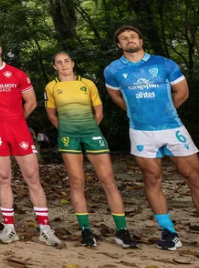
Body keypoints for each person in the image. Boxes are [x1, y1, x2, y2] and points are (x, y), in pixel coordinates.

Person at [105, 26, 199, 256]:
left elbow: (182, 92)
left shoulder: (164, 63)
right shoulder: (113, 70)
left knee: (194, 178)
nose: (129, 40)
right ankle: (168, 232)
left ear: (141, 40)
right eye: (123, 38)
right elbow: (115, 96)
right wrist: (136, 113)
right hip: (141, 131)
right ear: (118, 45)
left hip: (173, 128)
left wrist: (165, 112)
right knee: (152, 179)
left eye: (133, 36)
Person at [0, 36, 61, 247]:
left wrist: (17, 119)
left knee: (32, 177)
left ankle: (45, 228)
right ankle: (9, 228)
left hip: (18, 128)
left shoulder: (17, 74)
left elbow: (31, 102)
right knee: (3, 178)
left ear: (0, 49)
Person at [44, 51, 138, 249]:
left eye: (66, 61)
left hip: (91, 132)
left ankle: (122, 230)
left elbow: (99, 110)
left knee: (108, 179)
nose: (63, 65)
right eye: (59, 62)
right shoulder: (51, 86)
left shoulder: (87, 83)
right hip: (68, 136)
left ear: (73, 63)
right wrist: (64, 130)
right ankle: (85, 230)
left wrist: (90, 128)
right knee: (77, 180)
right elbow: (51, 114)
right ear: (54, 66)